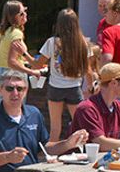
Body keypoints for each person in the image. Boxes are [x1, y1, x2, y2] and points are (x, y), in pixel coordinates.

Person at [34, 8, 91, 142]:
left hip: (56, 87)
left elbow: (38, 64)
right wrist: (91, 86)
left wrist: (24, 54)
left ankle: (52, 155)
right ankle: (83, 153)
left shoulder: (52, 42)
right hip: (74, 88)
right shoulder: (83, 42)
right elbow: (88, 69)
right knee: (80, 126)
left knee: (55, 127)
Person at [0, 0, 44, 87]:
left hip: (1, 71)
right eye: (22, 13)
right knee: (17, 100)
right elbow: (12, 62)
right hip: (14, 75)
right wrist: (32, 72)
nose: (25, 14)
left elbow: (6, 54)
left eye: (25, 11)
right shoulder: (16, 33)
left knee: (4, 100)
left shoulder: (1, 30)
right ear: (15, 16)